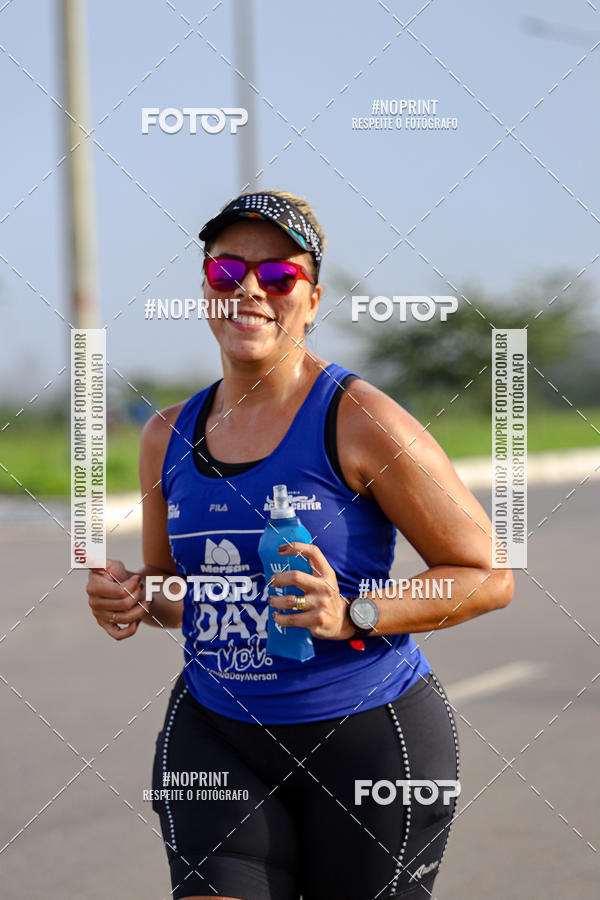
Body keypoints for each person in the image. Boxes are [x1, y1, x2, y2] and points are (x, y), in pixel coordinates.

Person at [87, 190, 514, 900]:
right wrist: (133, 595)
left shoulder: (360, 419)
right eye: (228, 271)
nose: (250, 290)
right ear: (206, 289)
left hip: (366, 738)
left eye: (279, 275)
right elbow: (173, 589)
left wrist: (354, 613)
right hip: (217, 732)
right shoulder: (166, 434)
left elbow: (488, 574)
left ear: (311, 300)